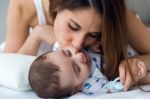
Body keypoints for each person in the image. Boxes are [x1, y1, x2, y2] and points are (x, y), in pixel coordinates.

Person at [4, 0, 150, 92]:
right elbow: (7, 68)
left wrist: (136, 64)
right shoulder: (23, 6)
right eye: (73, 26)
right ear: (57, 4)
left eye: (94, 34)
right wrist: (37, 34)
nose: (78, 44)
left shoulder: (111, 9)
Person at [29, 47, 146, 98]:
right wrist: (128, 79)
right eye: (77, 68)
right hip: (131, 58)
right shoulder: (90, 85)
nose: (79, 57)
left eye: (68, 53)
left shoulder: (59, 47)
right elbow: (112, 87)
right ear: (76, 87)